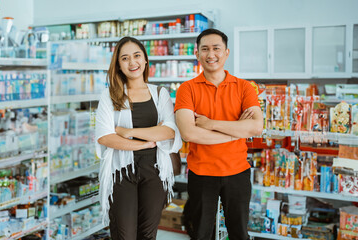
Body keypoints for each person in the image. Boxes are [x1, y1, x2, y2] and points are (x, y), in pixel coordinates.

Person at [174, 29, 264, 240]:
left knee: (239, 233)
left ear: (226, 53)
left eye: (216, 48)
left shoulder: (245, 88)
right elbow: (188, 133)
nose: (211, 54)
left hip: (237, 172)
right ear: (197, 54)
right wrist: (235, 132)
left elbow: (256, 127)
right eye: (205, 49)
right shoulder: (187, 89)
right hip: (201, 172)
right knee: (200, 234)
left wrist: (209, 124)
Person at [95, 36, 182, 240]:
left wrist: (128, 132)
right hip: (121, 172)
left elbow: (169, 131)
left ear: (145, 60)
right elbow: (105, 137)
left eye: (137, 56)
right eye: (125, 58)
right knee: (124, 235)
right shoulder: (109, 96)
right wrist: (146, 142)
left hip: (154, 171)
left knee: (147, 235)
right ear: (118, 65)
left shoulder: (160, 94)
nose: (132, 62)